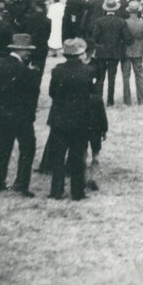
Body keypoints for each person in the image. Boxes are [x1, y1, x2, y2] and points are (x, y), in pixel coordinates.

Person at [0, 34, 42, 197]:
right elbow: (33, 91)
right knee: (28, 148)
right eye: (27, 50)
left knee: (3, 147)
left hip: (3, 113)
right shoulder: (23, 70)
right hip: (21, 115)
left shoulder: (0, 63)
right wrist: (33, 74)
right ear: (19, 50)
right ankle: (21, 184)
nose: (29, 53)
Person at [46, 38, 93, 200]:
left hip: (59, 118)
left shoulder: (57, 70)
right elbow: (91, 94)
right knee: (77, 156)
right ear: (80, 54)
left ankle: (56, 190)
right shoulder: (88, 71)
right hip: (80, 120)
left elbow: (52, 93)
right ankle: (77, 192)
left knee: (58, 156)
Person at [91, 0, 132, 106]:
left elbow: (94, 38)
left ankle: (98, 100)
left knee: (100, 78)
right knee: (111, 78)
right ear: (116, 9)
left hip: (101, 52)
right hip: (115, 53)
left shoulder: (99, 21)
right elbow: (128, 39)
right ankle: (110, 101)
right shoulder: (121, 22)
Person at [121, 1, 143, 106]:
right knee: (139, 76)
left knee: (126, 76)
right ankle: (142, 100)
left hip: (127, 51)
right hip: (139, 51)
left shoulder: (125, 22)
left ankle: (127, 100)